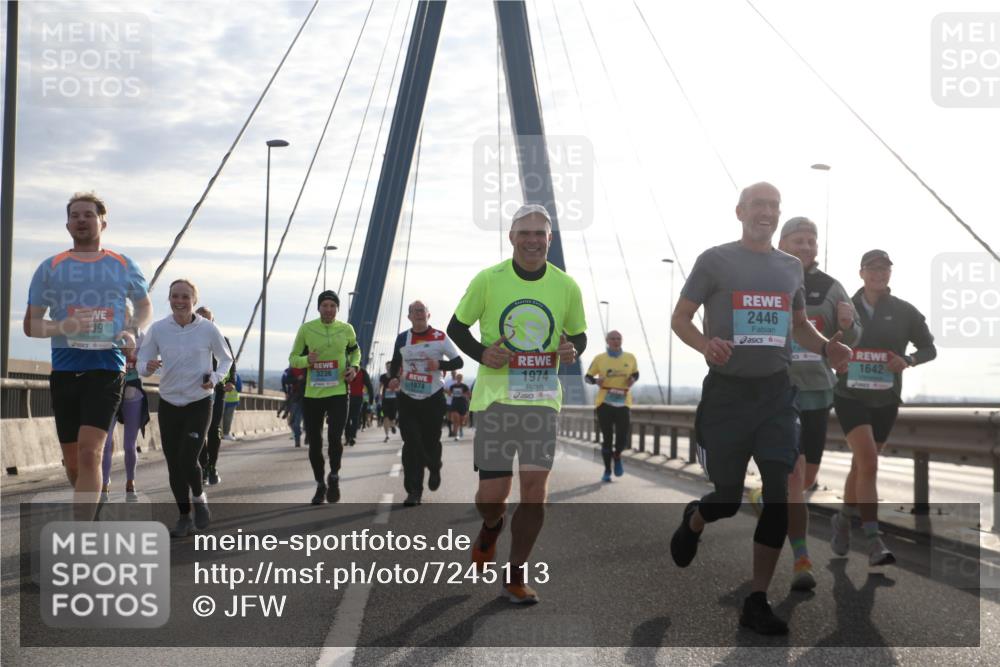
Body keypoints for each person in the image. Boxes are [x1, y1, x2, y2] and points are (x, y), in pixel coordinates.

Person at [668, 182, 851, 635]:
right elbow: (680, 318)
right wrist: (705, 344)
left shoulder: (790, 267)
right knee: (728, 499)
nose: (765, 212)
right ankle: (696, 518)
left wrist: (827, 348)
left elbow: (799, 324)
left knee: (779, 493)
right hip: (727, 395)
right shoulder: (715, 260)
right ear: (740, 212)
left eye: (773, 206)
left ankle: (757, 599)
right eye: (757, 205)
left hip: (776, 395)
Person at [447, 203, 587, 604]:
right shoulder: (488, 280)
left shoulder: (566, 286)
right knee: (492, 497)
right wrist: (482, 353)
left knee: (534, 492)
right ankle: (492, 526)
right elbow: (457, 326)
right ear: (511, 237)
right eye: (524, 233)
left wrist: (572, 350)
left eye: (539, 233)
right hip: (496, 401)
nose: (532, 240)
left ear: (549, 239)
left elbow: (578, 336)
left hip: (541, 402)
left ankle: (515, 574)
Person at [749, 217, 860, 591]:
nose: (807, 246)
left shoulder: (830, 287)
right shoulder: (767, 277)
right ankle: (802, 558)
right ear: (782, 242)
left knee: (807, 478)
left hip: (817, 392)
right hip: (779, 390)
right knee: (795, 478)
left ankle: (765, 498)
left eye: (811, 241)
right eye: (799, 240)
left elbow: (849, 339)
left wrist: (849, 324)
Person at [24, 192, 152, 510]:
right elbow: (31, 326)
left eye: (89, 215)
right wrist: (64, 326)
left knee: (90, 452)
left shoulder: (123, 265)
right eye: (75, 215)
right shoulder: (50, 268)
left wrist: (131, 330)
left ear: (102, 223)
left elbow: (144, 307)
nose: (81, 220)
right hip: (65, 370)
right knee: (73, 463)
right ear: (67, 225)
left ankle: (83, 532)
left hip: (107, 368)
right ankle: (90, 508)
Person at [830, 249, 936, 566]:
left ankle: (842, 521)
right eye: (872, 268)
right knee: (870, 463)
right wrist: (832, 360)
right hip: (850, 396)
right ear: (861, 273)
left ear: (890, 272)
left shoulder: (905, 311)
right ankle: (873, 540)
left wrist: (908, 360)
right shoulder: (844, 308)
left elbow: (929, 348)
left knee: (861, 466)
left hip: (886, 399)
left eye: (884, 268)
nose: (879, 273)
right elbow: (820, 342)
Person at [138, 279, 232, 537]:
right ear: (169, 299)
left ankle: (199, 499)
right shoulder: (158, 329)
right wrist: (147, 367)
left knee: (188, 458)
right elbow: (142, 361)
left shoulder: (208, 329)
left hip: (199, 401)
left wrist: (215, 378)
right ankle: (184, 517)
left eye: (185, 297)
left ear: (194, 301)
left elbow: (226, 359)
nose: (179, 301)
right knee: (173, 464)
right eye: (175, 296)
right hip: (169, 403)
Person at [288, 290, 360, 504]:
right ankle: (320, 484)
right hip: (313, 395)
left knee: (335, 438)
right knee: (315, 443)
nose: (328, 309)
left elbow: (355, 352)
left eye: (332, 306)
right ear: (319, 308)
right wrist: (306, 361)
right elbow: (293, 358)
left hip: (338, 392)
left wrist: (354, 368)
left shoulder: (346, 329)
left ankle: (334, 476)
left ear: (337, 308)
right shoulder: (307, 329)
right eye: (325, 305)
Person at [390, 300, 464, 506]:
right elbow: (395, 362)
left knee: (431, 441)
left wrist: (439, 364)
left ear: (428, 315)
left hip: (433, 397)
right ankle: (414, 490)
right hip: (408, 397)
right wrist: (393, 378)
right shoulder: (402, 338)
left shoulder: (440, 337)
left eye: (422, 310)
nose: (419, 313)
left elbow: (458, 362)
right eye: (414, 311)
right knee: (411, 442)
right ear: (409, 317)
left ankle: (434, 465)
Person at [100, 302, 151, 503]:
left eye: (125, 315)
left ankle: (130, 483)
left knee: (129, 444)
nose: (121, 319)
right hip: (110, 388)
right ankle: (104, 485)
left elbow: (147, 362)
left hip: (132, 389)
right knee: (105, 443)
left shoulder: (142, 337)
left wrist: (134, 357)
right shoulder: (106, 334)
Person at [585, 330, 639, 482]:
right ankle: (607, 470)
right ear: (607, 341)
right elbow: (587, 377)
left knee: (622, 437)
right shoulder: (600, 359)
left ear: (622, 340)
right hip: (605, 403)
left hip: (623, 402)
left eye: (618, 338)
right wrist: (596, 381)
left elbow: (636, 373)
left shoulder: (630, 357)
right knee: (607, 438)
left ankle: (617, 455)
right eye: (613, 339)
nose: (616, 341)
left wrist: (632, 379)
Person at [195, 306, 237, 486]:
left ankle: (212, 466)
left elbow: (231, 363)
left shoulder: (222, 339)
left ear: (213, 321)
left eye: (208, 319)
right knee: (198, 431)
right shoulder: (190, 339)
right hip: (195, 390)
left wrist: (231, 381)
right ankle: (203, 465)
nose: (205, 322)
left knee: (214, 429)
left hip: (217, 390)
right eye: (201, 318)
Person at [345, 365, 374, 446]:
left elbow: (369, 385)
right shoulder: (362, 372)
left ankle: (349, 437)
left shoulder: (349, 369)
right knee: (353, 417)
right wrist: (371, 399)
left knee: (349, 418)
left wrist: (371, 399)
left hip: (352, 397)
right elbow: (369, 385)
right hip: (352, 397)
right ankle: (351, 436)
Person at [281, 366, 306, 447]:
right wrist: (297, 379)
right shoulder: (290, 370)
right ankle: (298, 435)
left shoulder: (307, 367)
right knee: (292, 422)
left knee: (300, 421)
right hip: (295, 398)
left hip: (306, 398)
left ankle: (300, 438)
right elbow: (285, 380)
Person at [379, 361, 399, 443]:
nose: (388, 368)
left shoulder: (396, 376)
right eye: (387, 366)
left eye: (390, 366)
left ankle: (393, 425)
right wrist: (380, 393)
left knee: (392, 418)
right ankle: (387, 435)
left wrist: (395, 389)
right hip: (385, 399)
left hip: (394, 400)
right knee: (385, 417)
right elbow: (380, 387)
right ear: (386, 367)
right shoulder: (383, 377)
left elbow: (399, 387)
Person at [447, 372, 471, 441]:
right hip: (455, 403)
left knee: (461, 420)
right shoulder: (452, 386)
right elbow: (449, 394)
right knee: (456, 419)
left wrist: (464, 395)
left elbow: (469, 394)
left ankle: (460, 429)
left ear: (462, 379)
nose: (459, 379)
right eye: (458, 378)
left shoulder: (464, 386)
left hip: (462, 403)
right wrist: (451, 394)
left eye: (460, 378)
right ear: (456, 378)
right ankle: (456, 435)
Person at [222, 372, 243, 440]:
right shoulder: (235, 375)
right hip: (232, 401)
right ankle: (226, 434)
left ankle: (221, 433)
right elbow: (239, 388)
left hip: (222, 400)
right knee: (228, 419)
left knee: (220, 418)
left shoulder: (221, 373)